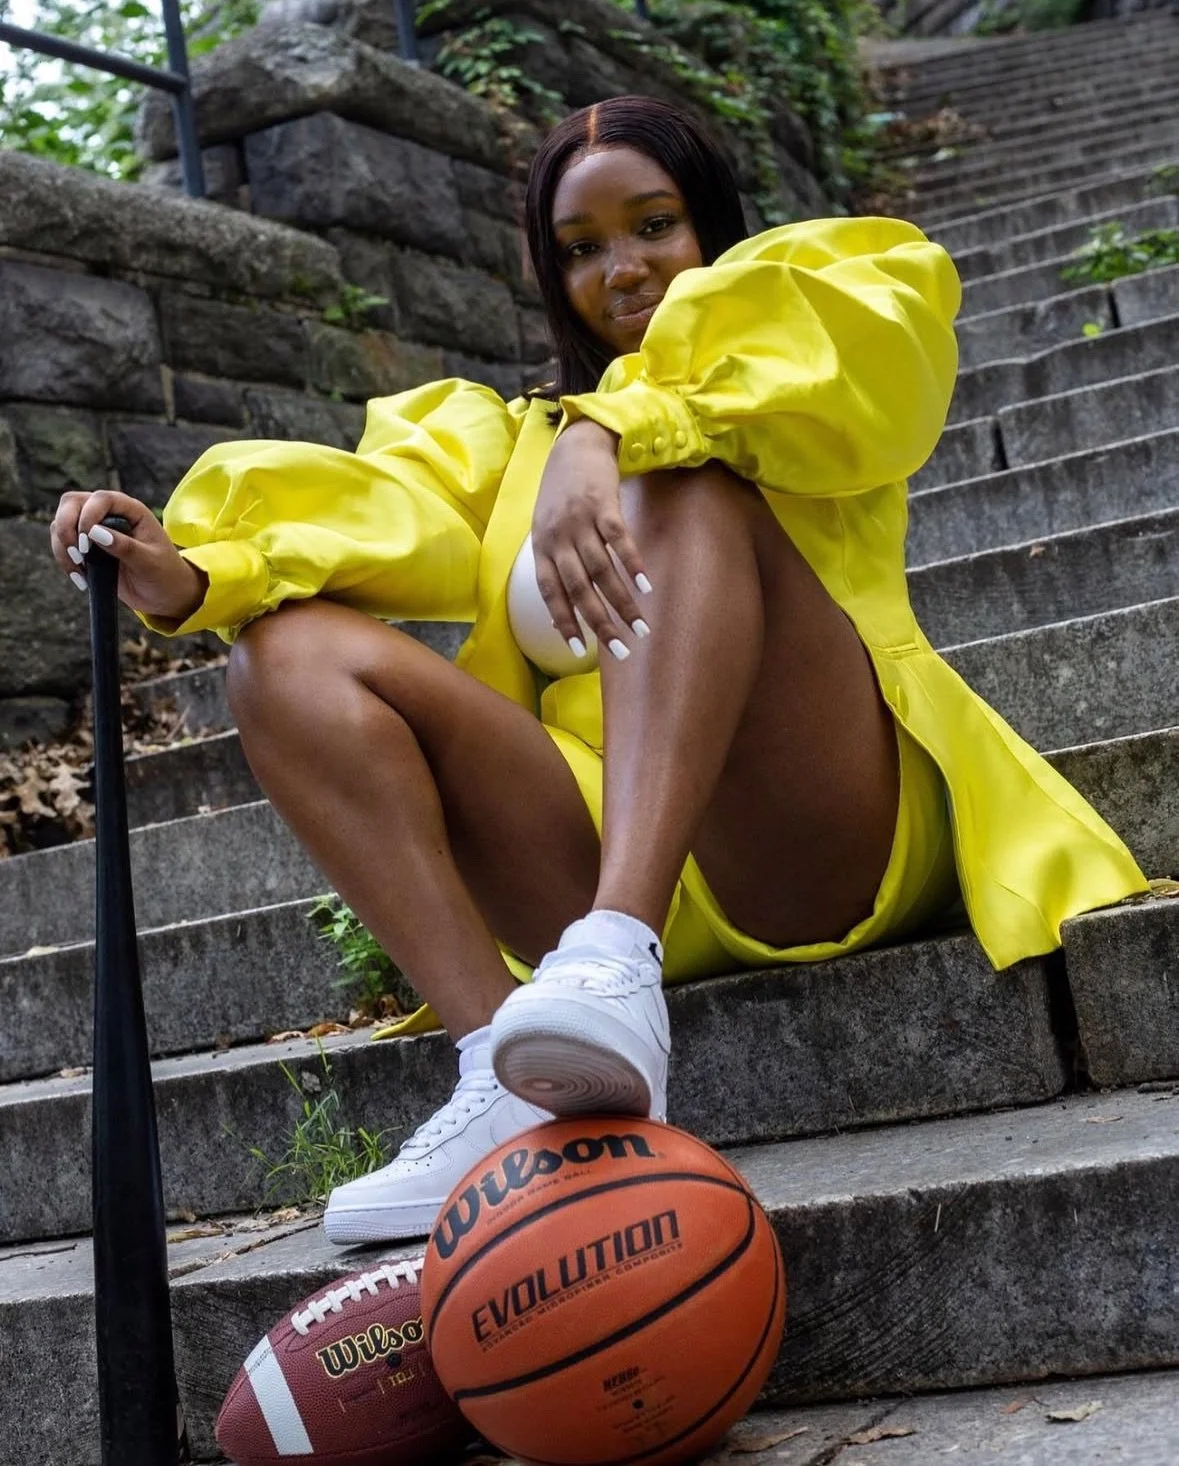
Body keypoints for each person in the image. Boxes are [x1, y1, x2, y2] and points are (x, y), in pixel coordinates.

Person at [51, 96, 1147, 1248]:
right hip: (580, 842)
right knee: (284, 654)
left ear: (708, 226)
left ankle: (619, 954)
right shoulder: (499, 441)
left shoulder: (785, 338)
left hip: (814, 826)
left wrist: (612, 431)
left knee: (675, 475)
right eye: (581, 248)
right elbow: (369, 522)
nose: (623, 269)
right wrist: (193, 574)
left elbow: (877, 339)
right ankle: (502, 1077)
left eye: (654, 225)